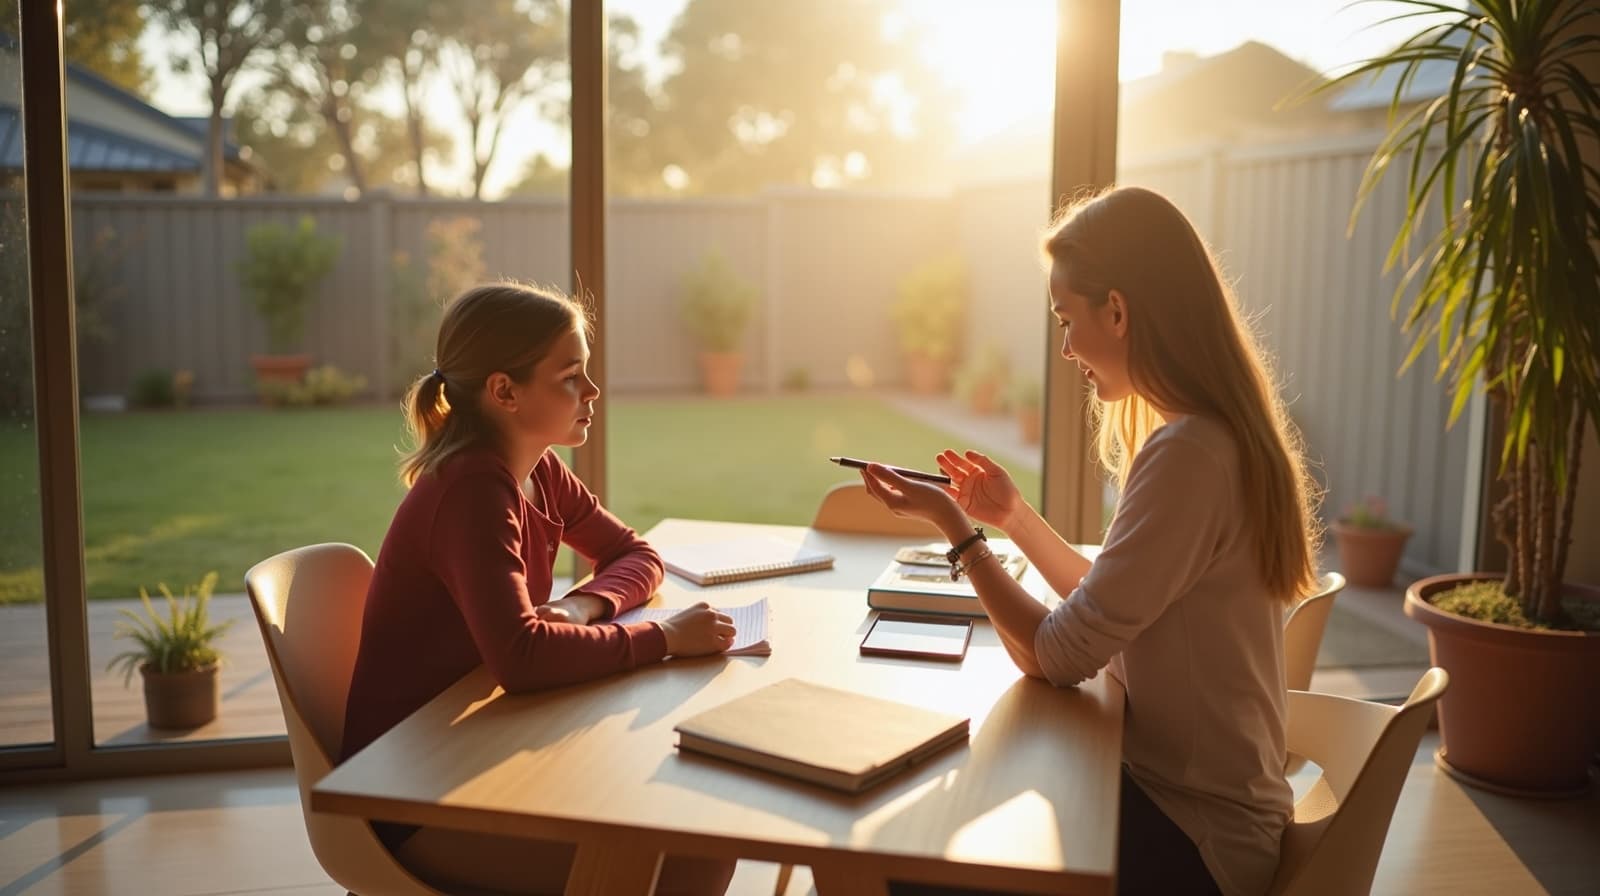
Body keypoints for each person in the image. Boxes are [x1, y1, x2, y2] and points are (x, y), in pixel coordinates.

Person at [861, 186, 1320, 896]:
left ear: (1118, 309)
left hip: (1197, 840)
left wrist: (958, 533)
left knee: (903, 863)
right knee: (957, 808)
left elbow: (1057, 655)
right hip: (1189, 803)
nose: (1068, 348)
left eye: (1067, 320)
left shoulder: (1190, 455)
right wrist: (1012, 517)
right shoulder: (1209, 437)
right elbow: (1106, 602)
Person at [340, 281, 738, 896]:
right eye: (571, 376)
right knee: (692, 858)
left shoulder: (539, 470)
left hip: (480, 740)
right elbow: (521, 658)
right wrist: (661, 639)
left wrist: (582, 605)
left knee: (696, 834)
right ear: (505, 392)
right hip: (414, 795)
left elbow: (635, 553)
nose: (593, 392)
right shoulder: (471, 489)